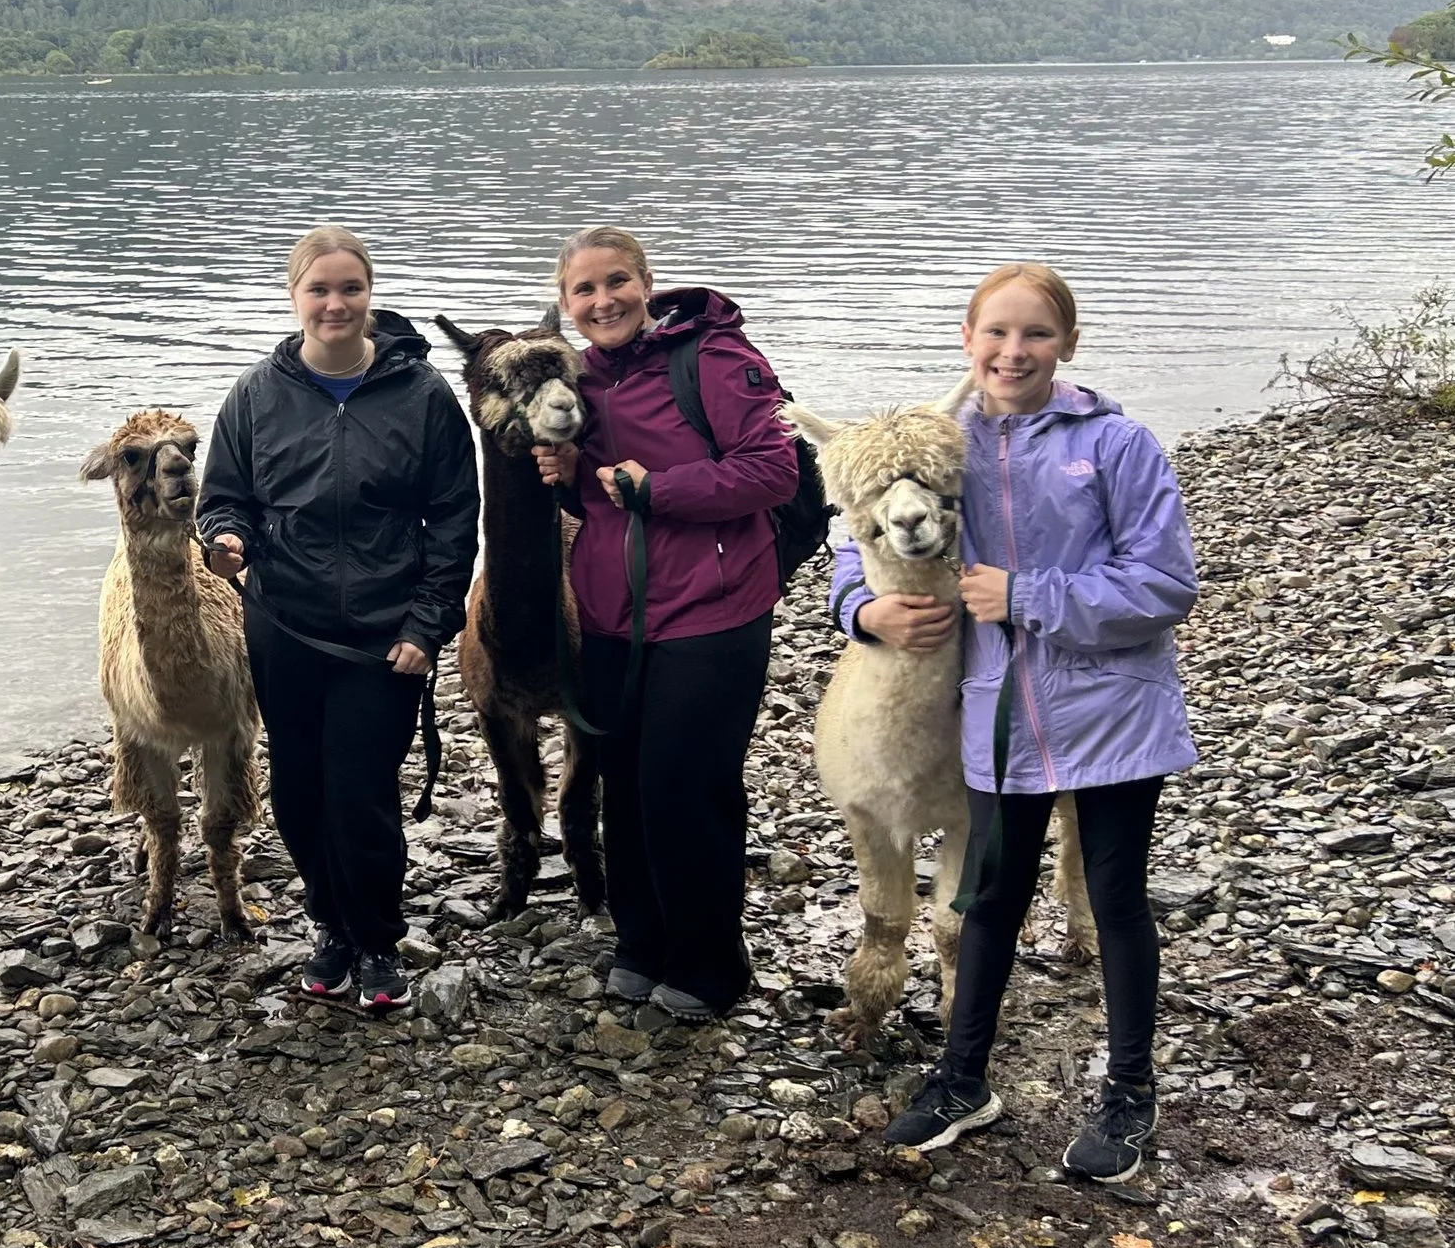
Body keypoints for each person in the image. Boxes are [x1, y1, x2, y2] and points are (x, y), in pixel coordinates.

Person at [847, 263, 1198, 1183]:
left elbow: (1164, 585)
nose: (1013, 352)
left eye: (1035, 334)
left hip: (1112, 710)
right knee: (989, 897)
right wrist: (862, 609)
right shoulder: (938, 442)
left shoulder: (1118, 445)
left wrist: (1027, 594)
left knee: (1116, 901)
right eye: (995, 334)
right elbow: (865, 530)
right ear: (968, 342)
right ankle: (965, 1077)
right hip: (996, 713)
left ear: (1067, 345)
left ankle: (1128, 1090)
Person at [198, 226, 479, 1012]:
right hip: (284, 624)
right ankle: (329, 923)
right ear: (294, 298)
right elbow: (226, 496)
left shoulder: (422, 396)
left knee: (360, 789)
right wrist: (226, 540)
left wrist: (427, 626)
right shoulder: (256, 394)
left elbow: (456, 517)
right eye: (319, 289)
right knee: (298, 785)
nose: (335, 304)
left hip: (385, 636)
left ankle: (377, 938)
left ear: (370, 295)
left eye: (350, 288)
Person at [535, 226, 797, 1024]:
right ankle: (642, 942)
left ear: (646, 283)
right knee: (627, 786)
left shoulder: (712, 359)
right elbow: (601, 502)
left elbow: (773, 469)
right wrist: (574, 475)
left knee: (687, 787)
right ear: (567, 306)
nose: (602, 300)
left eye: (616, 282)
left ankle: (711, 963)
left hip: (713, 611)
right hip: (616, 618)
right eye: (584, 290)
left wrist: (659, 487)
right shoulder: (580, 381)